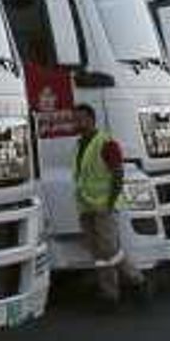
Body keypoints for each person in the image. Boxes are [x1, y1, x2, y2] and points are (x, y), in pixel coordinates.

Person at [71, 104, 140, 307]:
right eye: (75, 119)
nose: (77, 123)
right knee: (98, 254)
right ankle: (109, 294)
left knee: (110, 249)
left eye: (81, 119)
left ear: (92, 120)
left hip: (104, 206)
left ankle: (137, 280)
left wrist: (110, 202)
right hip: (86, 206)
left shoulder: (106, 143)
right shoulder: (78, 145)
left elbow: (118, 173)